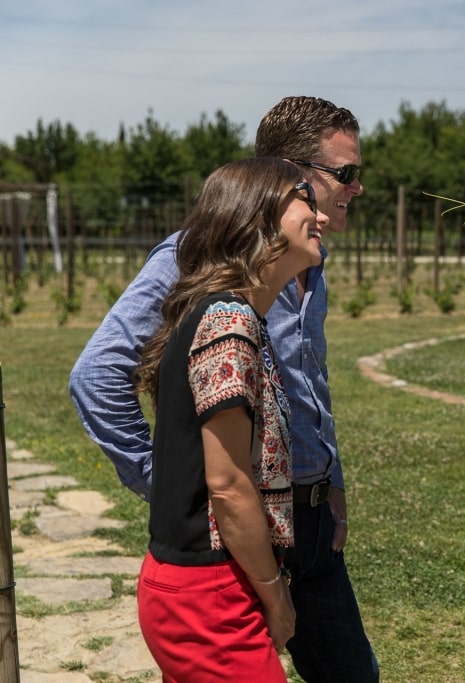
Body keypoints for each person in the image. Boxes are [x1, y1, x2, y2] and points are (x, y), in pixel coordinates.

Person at [68, 96, 379, 682]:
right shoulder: (196, 256)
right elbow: (97, 376)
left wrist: (330, 480)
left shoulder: (311, 261)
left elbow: (309, 384)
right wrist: (172, 490)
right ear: (289, 176)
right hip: (244, 531)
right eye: (345, 174)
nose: (356, 188)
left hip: (310, 524)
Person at [133, 156, 324, 679]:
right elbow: (229, 484)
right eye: (303, 197)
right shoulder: (228, 320)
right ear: (258, 216)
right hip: (209, 594)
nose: (321, 214)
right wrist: (275, 594)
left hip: (195, 585)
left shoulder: (226, 315)